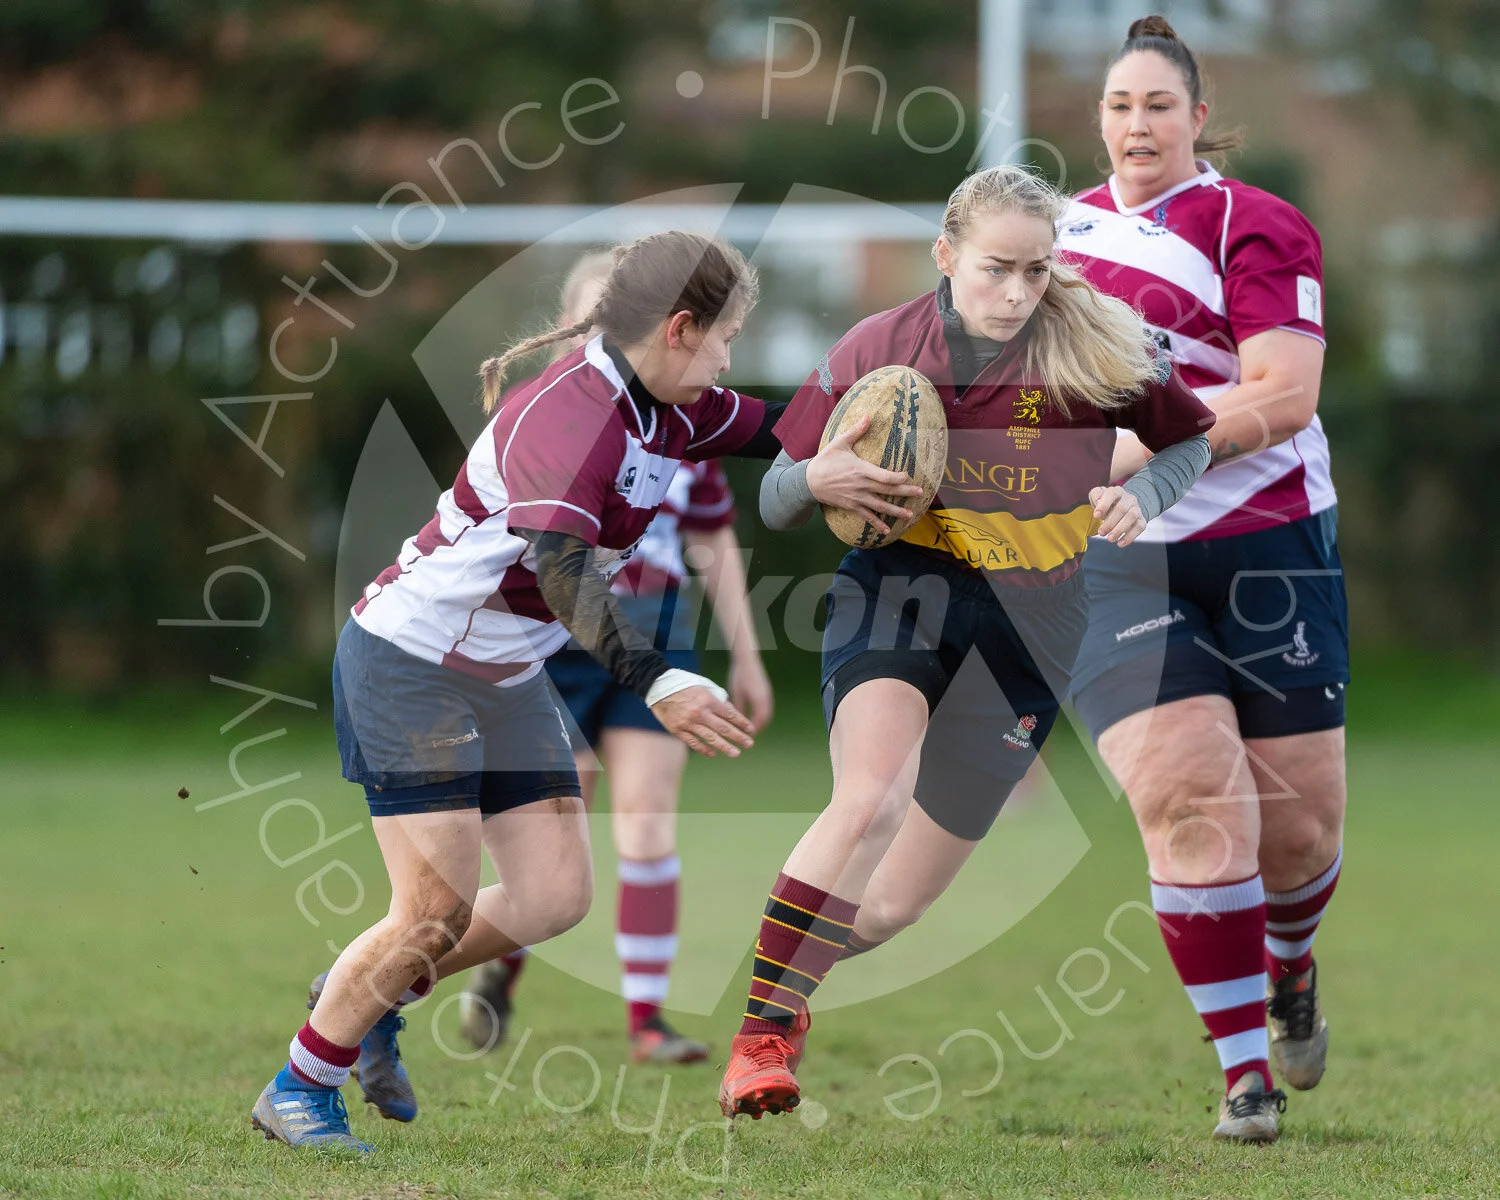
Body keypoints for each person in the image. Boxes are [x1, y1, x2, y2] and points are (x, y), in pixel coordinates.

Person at [249, 231, 786, 1153]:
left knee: (553, 895)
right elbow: (564, 573)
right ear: (682, 327)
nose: (732, 359)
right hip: (412, 665)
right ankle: (299, 1088)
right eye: (729, 336)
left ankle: (367, 987)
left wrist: (890, 411)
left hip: (499, 671)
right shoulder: (572, 415)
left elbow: (782, 423)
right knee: (433, 913)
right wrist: (659, 681)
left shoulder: (667, 405)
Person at [715, 164, 1218, 1121]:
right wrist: (821, 477)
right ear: (946, 256)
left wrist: (1139, 493)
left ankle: (784, 964)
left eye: (1037, 270)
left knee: (895, 907)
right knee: (870, 802)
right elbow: (777, 496)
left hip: (1035, 626)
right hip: (901, 594)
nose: (1018, 291)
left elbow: (1192, 441)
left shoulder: (1099, 346)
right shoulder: (884, 346)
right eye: (996, 268)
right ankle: (761, 1037)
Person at [1057, 15, 1348, 1144]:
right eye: (1121, 105)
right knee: (1186, 802)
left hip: (1272, 544)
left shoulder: (1255, 224)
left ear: (1198, 118)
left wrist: (1145, 450)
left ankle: (1293, 961)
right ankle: (1243, 1078)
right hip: (1118, 560)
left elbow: (1283, 393)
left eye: (1159, 105)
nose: (1139, 123)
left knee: (1301, 835)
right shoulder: (1057, 243)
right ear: (1100, 121)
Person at [459, 251, 774, 1066]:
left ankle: (645, 1021)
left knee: (645, 823)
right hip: (556, 636)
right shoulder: (554, 421)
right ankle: (497, 973)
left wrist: (748, 655)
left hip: (658, 629)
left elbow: (711, 540)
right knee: (552, 854)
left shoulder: (686, 420)